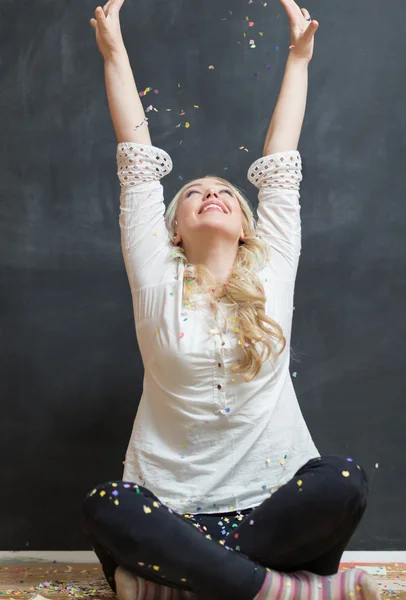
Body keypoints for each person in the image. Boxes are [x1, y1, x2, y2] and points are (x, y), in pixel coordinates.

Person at [83, 1, 381, 599]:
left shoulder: (273, 264)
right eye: (194, 192)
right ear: (172, 228)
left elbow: (280, 162)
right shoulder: (154, 274)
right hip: (171, 515)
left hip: (272, 514)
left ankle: (178, 586)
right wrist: (115, 53)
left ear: (248, 224)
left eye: (225, 192)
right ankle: (284, 590)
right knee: (109, 503)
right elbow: (137, 167)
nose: (211, 194)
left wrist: (298, 58)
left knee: (343, 481)